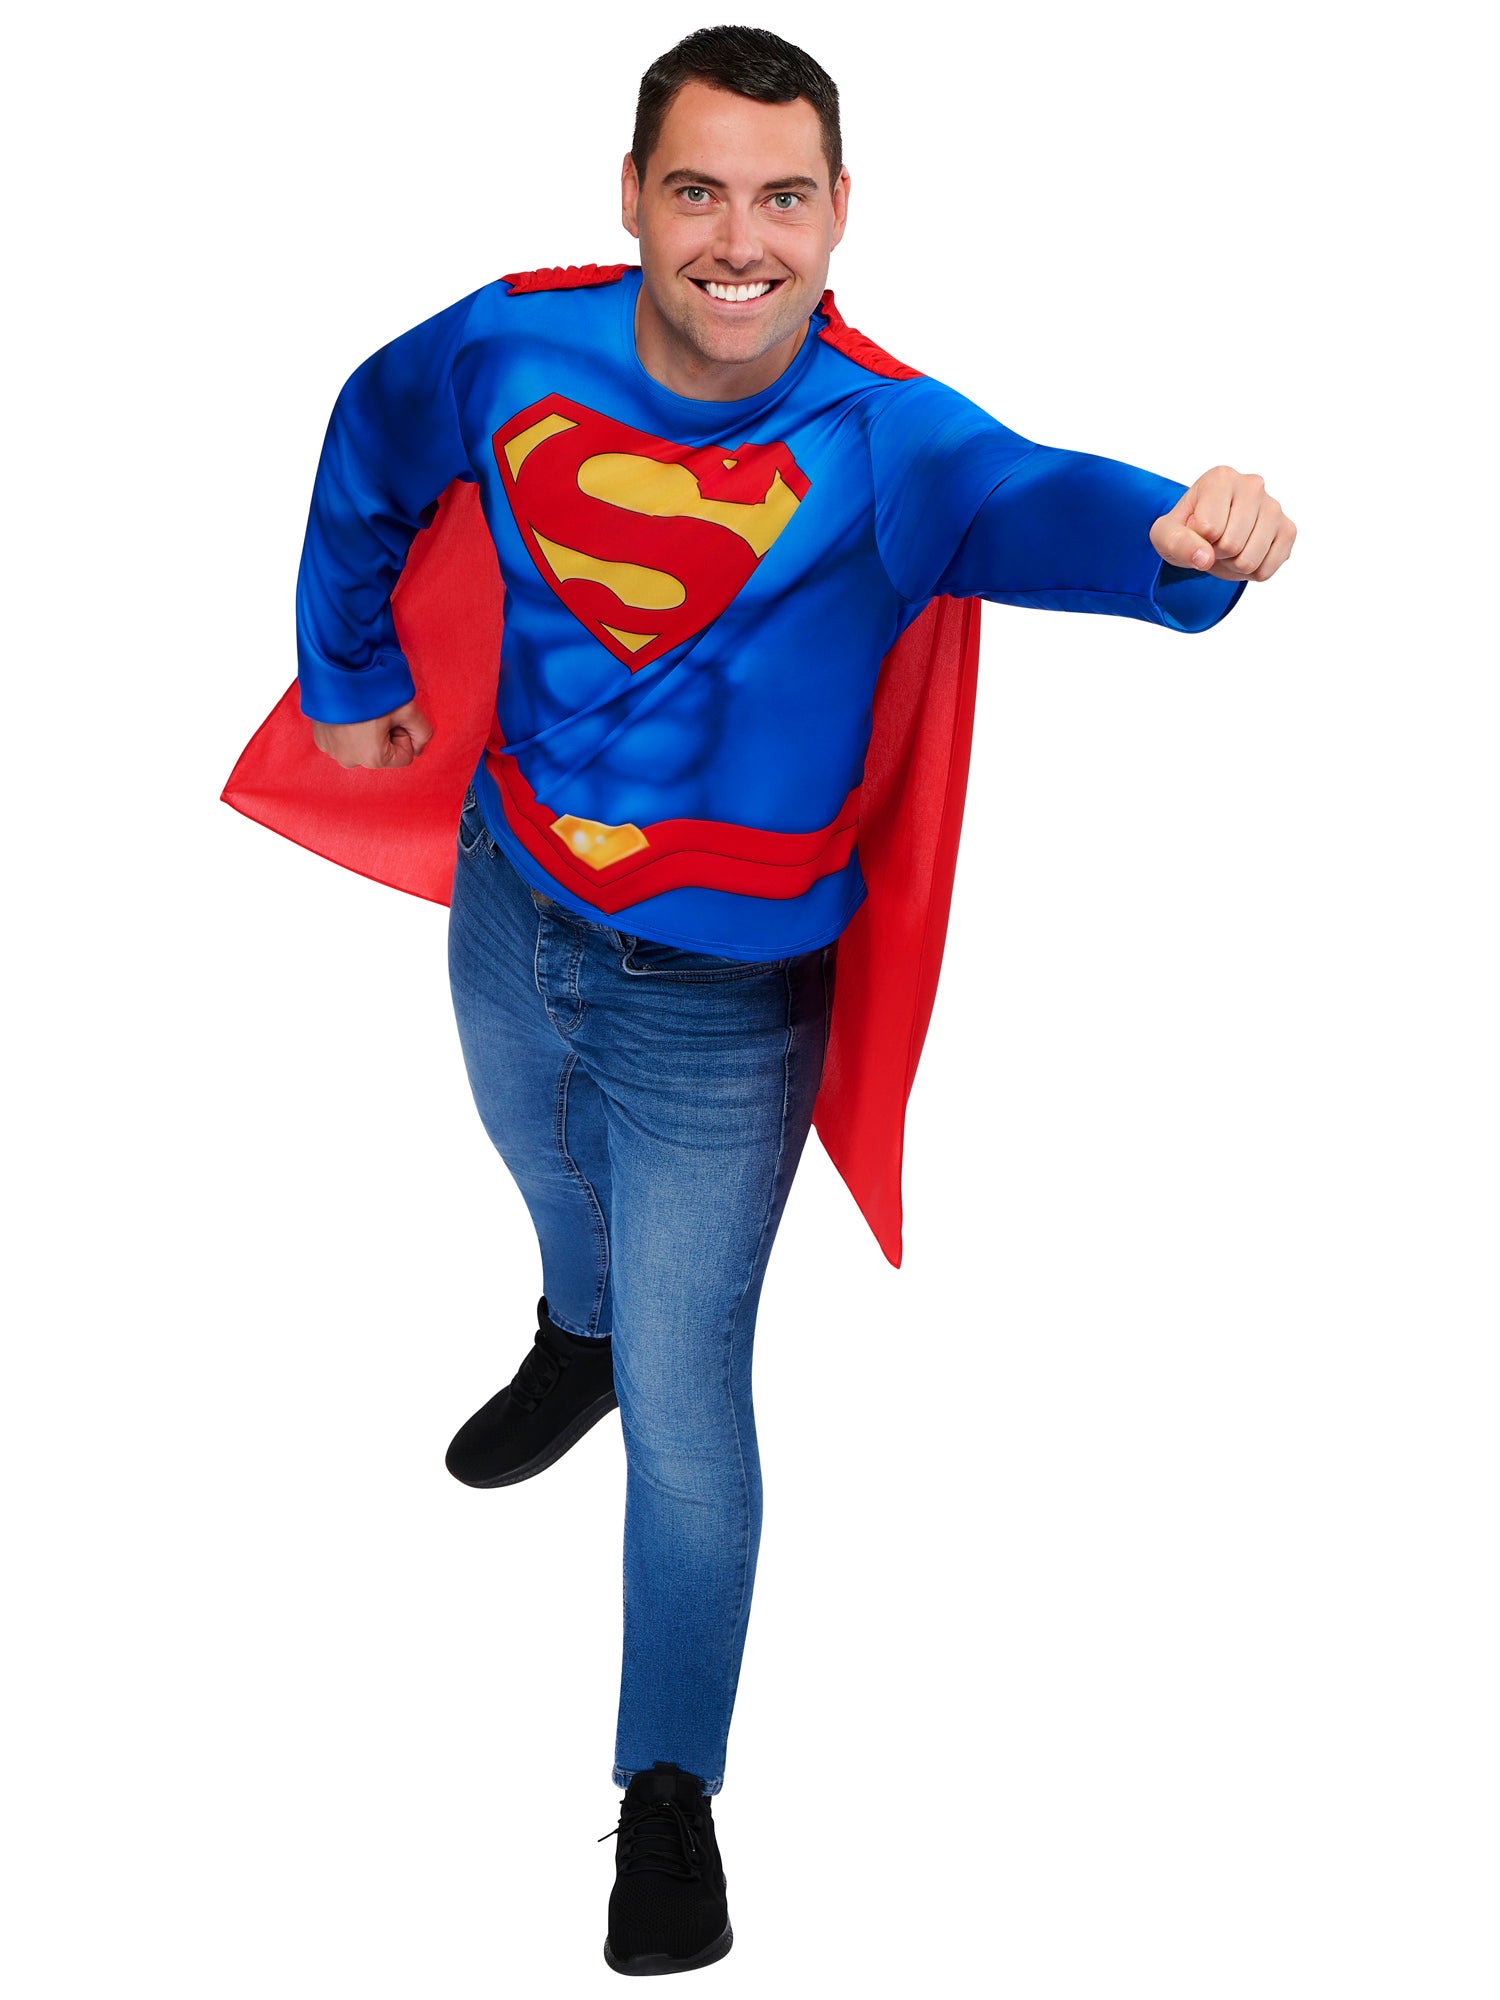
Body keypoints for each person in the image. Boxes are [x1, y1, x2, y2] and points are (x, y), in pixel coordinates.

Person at [242, 23, 1295, 1977]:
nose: (741, 239)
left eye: (783, 196)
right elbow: (373, 438)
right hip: (510, 896)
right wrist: (350, 663)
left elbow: (1055, 501)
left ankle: (668, 1791)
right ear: (633, 197)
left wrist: (1191, 538)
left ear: (840, 213)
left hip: (723, 1009)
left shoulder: (890, 446)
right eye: (700, 190)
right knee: (536, 1163)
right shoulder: (509, 349)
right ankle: (573, 1328)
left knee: (694, 1407)